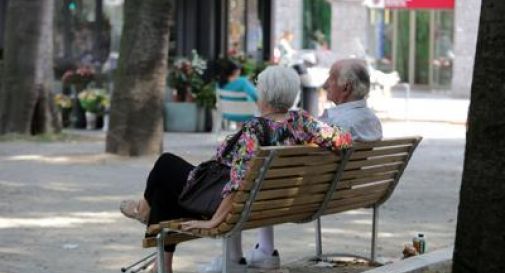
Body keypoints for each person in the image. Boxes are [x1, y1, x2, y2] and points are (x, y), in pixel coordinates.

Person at [119, 66, 352, 273]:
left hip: (225, 202)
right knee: (165, 187)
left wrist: (214, 222)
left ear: (265, 95)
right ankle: (162, 265)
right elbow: (343, 139)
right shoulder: (302, 121)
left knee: (166, 163)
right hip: (267, 203)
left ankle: (143, 210)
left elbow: (238, 182)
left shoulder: (254, 129)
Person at [319, 59, 383, 142]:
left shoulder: (336, 122)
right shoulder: (374, 121)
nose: (325, 85)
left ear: (346, 88)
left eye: (331, 78)